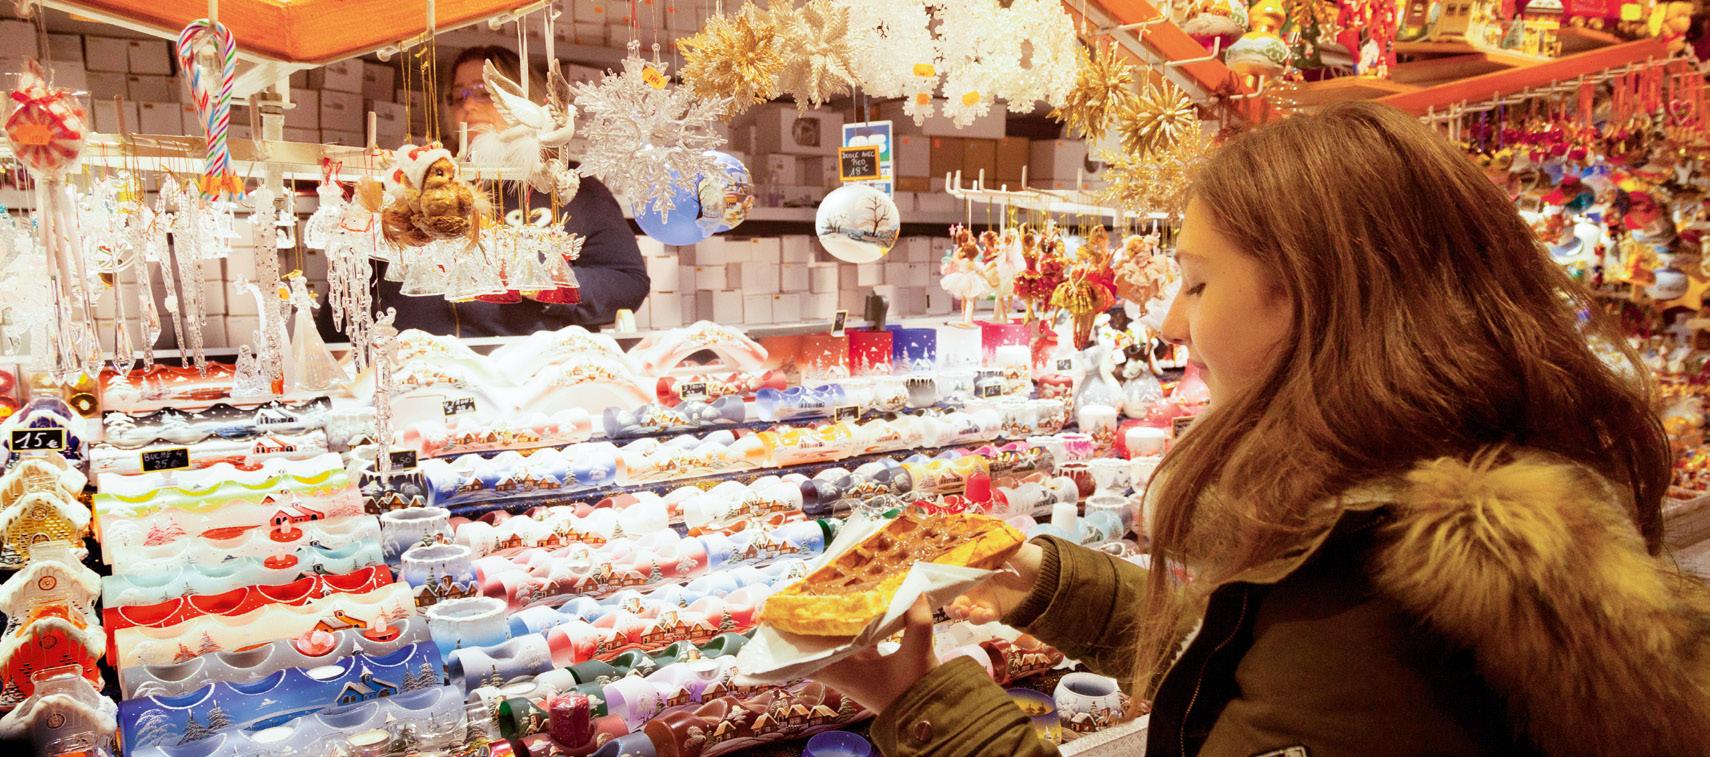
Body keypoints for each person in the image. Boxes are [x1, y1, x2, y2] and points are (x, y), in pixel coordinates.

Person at [815, 102, 1710, 755]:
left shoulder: (1382, 606)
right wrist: (1041, 579)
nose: (1171, 322)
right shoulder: (1439, 502)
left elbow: (1314, 659)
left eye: (1198, 283)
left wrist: (921, 700)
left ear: (1311, 296)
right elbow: (1251, 657)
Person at [371, 45, 648, 336]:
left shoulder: (567, 185)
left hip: (527, 358)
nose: (468, 106)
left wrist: (543, 281)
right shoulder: (419, 185)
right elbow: (366, 280)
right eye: (459, 95)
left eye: (484, 92)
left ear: (524, 101)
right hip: (423, 356)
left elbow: (627, 285)